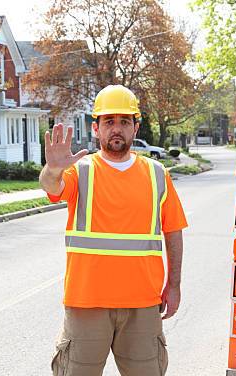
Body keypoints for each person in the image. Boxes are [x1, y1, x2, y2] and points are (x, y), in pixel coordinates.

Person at [39, 85, 188, 376]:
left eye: (123, 121)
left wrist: (174, 285)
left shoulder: (157, 174)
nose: (116, 129)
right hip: (86, 304)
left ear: (136, 127)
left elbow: (173, 232)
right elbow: (51, 186)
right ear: (96, 128)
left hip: (143, 305)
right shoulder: (79, 171)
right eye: (109, 122)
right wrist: (53, 169)